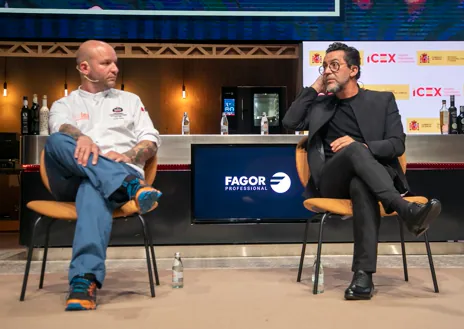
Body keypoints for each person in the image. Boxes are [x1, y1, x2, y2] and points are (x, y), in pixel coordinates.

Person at [282, 42, 441, 301]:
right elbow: (290, 122)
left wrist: (365, 146)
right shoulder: (321, 106)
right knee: (354, 152)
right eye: (324, 66)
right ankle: (404, 210)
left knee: (361, 181)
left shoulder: (382, 100)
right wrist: (316, 87)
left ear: (354, 69)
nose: (328, 71)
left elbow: (396, 144)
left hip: (372, 177)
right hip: (332, 179)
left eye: (335, 65)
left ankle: (363, 276)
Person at [46, 40, 162, 311]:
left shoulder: (130, 100)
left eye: (115, 62)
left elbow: (150, 139)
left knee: (93, 186)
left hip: (108, 176)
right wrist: (83, 137)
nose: (115, 69)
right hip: (70, 181)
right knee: (57, 141)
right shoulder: (64, 104)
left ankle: (83, 280)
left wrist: (131, 155)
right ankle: (130, 185)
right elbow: (59, 127)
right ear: (84, 68)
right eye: (106, 63)